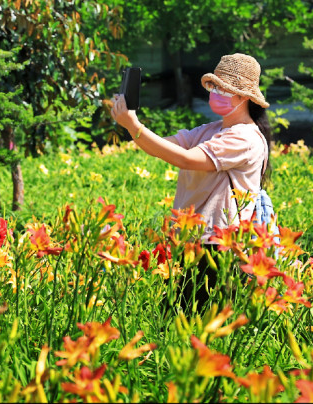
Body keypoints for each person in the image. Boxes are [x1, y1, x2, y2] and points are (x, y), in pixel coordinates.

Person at [110, 53, 272, 311]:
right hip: (194, 238)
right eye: (214, 86)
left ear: (243, 97)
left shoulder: (245, 138)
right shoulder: (211, 129)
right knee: (178, 320)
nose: (215, 93)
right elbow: (163, 147)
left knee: (187, 320)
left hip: (219, 244)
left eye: (223, 88)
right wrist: (131, 125)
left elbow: (186, 159)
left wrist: (134, 126)